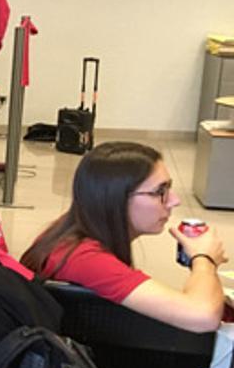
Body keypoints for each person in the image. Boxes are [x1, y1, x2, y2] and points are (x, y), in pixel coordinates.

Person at [21, 141, 227, 333]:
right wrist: (204, 259)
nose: (174, 200)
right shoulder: (86, 259)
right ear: (117, 199)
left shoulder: (69, 231)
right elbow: (202, 316)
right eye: (160, 191)